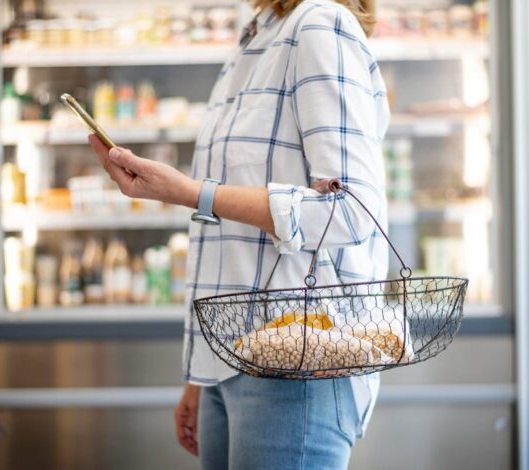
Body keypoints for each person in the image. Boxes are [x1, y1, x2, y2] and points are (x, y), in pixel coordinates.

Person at [89, 0, 389, 468]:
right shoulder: (257, 35)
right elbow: (229, 246)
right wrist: (200, 374)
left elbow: (352, 210)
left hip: (298, 362)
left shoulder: (320, 25)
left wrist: (191, 193)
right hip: (228, 359)